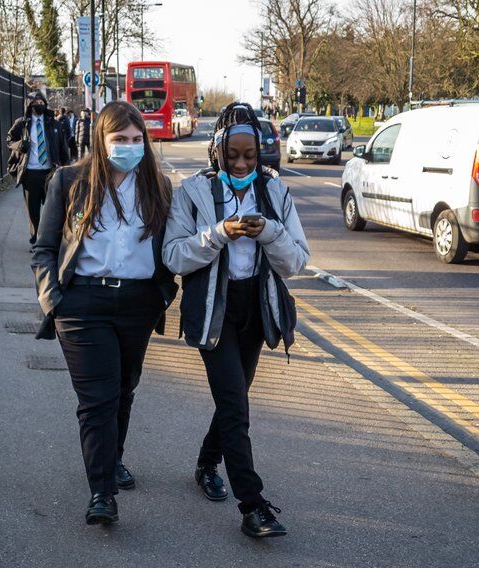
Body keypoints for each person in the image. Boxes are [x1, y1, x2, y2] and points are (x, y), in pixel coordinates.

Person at [163, 102, 309, 538]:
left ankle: (207, 463)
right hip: (213, 308)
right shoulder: (192, 192)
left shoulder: (276, 192)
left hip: (255, 306)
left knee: (234, 400)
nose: (243, 164)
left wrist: (268, 230)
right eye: (233, 156)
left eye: (250, 155)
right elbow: (172, 255)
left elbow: (296, 262)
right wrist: (219, 233)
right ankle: (253, 505)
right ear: (217, 154)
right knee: (235, 407)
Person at [31, 100, 178, 526]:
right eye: (120, 140)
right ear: (101, 140)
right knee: (97, 400)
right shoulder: (69, 181)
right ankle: (102, 492)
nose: (130, 147)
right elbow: (43, 247)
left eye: (137, 140)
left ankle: (113, 459)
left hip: (138, 303)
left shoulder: (159, 187)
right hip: (81, 306)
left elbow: (171, 249)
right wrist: (52, 300)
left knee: (124, 389)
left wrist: (162, 295)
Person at [6, 91, 70, 247]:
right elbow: (9, 140)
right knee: (33, 211)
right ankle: (36, 241)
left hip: (50, 173)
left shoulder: (53, 123)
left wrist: (67, 169)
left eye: (42, 102)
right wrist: (19, 145)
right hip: (30, 174)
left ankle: (51, 241)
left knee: (52, 210)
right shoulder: (22, 124)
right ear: (29, 105)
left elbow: (63, 147)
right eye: (35, 103)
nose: (39, 105)